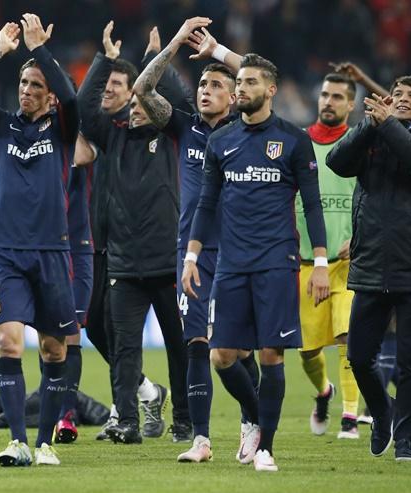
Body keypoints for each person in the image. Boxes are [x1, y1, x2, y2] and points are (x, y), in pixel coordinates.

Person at [183, 53, 329, 472]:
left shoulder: (294, 140)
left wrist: (319, 262)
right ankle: (256, 422)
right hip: (230, 263)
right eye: (239, 81)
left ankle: (266, 448)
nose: (242, 88)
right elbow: (206, 205)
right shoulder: (220, 142)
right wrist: (192, 256)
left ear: (270, 90)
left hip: (276, 262)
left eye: (249, 82)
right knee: (222, 355)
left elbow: (313, 206)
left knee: (270, 355)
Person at [134, 18, 266, 463]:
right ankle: (202, 439)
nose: (205, 90)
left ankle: (254, 420)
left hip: (238, 252)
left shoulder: (247, 132)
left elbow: (262, 75)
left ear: (234, 97)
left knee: (235, 349)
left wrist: (217, 52)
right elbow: (142, 90)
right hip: (190, 254)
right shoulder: (184, 127)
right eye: (203, 85)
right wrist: (174, 42)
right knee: (196, 343)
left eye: (215, 85)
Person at [0, 16, 79, 466]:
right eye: (23, 82)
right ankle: (17, 441)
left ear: (47, 96)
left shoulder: (63, 129)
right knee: (9, 343)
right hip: (6, 254)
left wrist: (40, 50)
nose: (26, 90)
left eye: (34, 85)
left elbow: (69, 95)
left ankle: (44, 441)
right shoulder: (2, 126)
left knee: (54, 348)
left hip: (52, 252)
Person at [77, 21, 191, 444]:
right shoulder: (113, 134)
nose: (137, 106)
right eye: (134, 100)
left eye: (145, 98)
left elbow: (177, 97)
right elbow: (85, 107)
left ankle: (183, 420)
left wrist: (154, 60)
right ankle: (126, 420)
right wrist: (104, 59)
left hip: (167, 260)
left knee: (180, 348)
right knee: (124, 349)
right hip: (124, 261)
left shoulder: (172, 132)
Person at [327, 76, 411, 462]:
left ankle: (406, 441)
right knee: (360, 357)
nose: (403, 100)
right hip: (371, 260)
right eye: (397, 95)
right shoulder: (373, 134)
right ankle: (382, 411)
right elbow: (336, 161)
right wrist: (368, 125)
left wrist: (389, 126)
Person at [296, 72, 361, 439]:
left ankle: (350, 417)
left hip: (348, 264)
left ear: (350, 104)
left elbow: (370, 195)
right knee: (307, 352)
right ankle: (324, 393)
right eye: (324, 95)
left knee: (347, 338)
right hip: (306, 263)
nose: (328, 102)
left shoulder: (358, 144)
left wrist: (360, 236)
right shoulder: (300, 143)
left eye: (337, 96)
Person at [54, 132, 96, 444]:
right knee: (50, 337)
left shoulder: (79, 136)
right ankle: (55, 409)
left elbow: (84, 156)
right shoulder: (30, 137)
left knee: (72, 330)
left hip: (78, 247)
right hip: (45, 246)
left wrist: (73, 120)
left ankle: (66, 415)